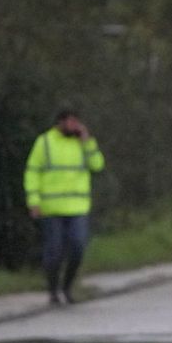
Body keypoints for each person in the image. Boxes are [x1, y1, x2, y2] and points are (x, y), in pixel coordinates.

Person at [24, 109, 105, 305]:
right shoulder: (44, 143)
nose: (75, 125)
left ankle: (67, 287)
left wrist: (88, 142)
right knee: (54, 251)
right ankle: (53, 290)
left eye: (77, 122)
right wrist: (33, 201)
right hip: (51, 209)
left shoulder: (82, 143)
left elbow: (97, 165)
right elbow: (32, 172)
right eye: (71, 121)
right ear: (60, 122)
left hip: (77, 208)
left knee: (78, 247)